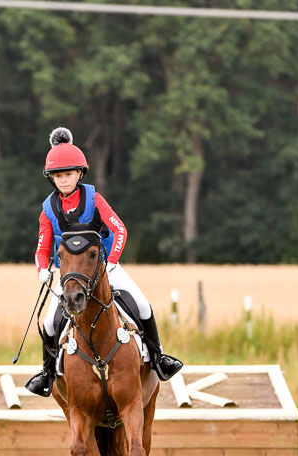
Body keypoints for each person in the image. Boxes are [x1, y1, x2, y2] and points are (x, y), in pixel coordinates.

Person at [25, 127, 183, 397]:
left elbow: (119, 229)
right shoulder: (47, 209)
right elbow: (42, 246)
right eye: (58, 176)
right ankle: (48, 374)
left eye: (68, 174)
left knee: (143, 306)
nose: (63, 180)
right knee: (51, 323)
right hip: (70, 275)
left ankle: (158, 359)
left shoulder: (94, 199)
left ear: (80, 174)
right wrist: (42, 269)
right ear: (51, 178)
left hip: (105, 266)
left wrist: (112, 260)